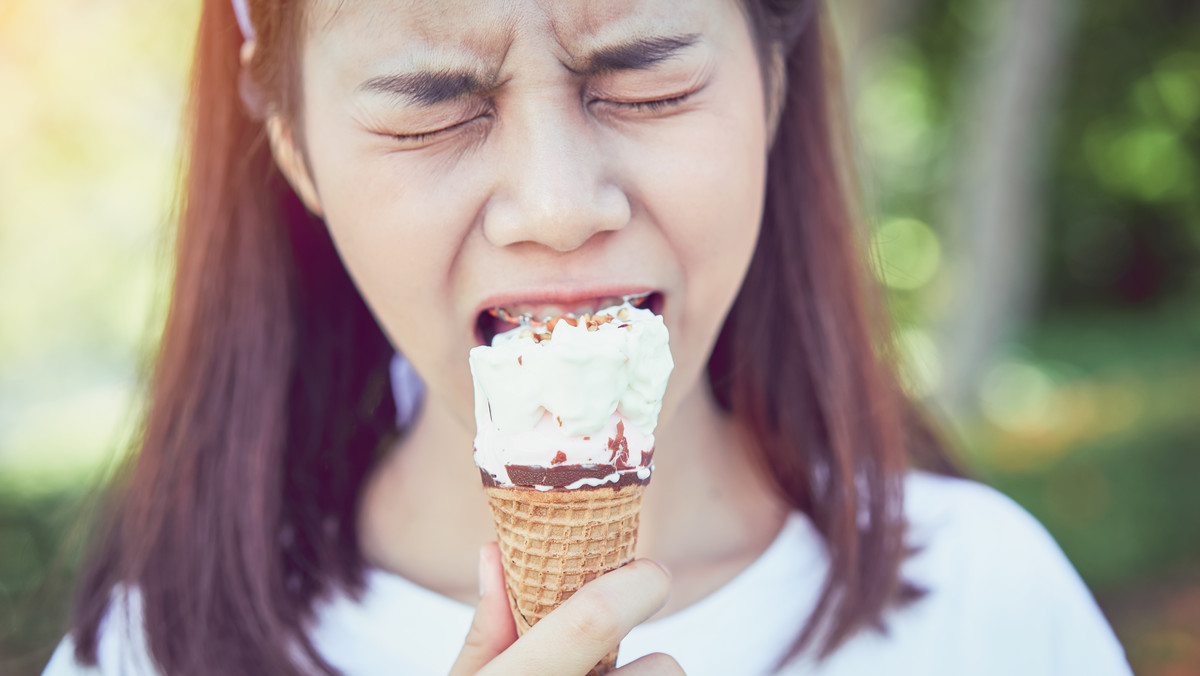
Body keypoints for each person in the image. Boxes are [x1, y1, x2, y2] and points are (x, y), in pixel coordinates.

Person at [43, 0, 1133, 674]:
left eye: (646, 76)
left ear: (773, 82)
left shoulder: (991, 605)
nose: (558, 206)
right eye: (430, 107)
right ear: (291, 143)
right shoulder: (143, 658)